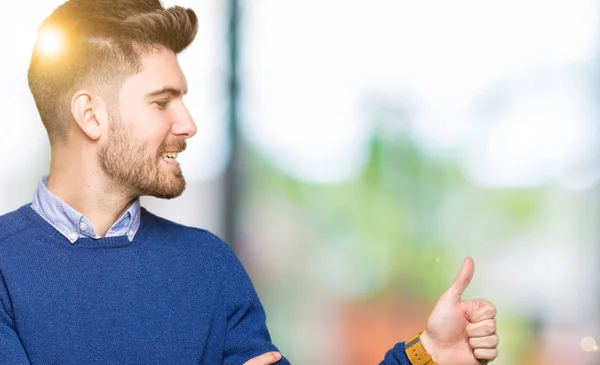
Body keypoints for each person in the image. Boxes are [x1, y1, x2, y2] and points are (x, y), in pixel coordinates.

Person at [0, 0, 498, 364]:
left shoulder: (207, 267)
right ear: (91, 114)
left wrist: (428, 354)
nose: (189, 123)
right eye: (161, 101)